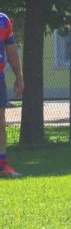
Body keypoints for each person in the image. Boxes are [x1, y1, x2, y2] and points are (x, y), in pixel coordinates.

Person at [0, 13, 24, 178]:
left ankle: (2, 166)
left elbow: (12, 51)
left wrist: (19, 77)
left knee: (0, 121)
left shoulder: (3, 20)